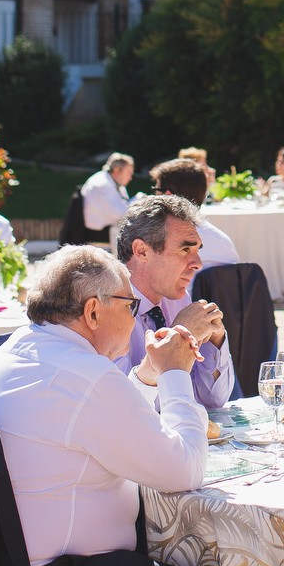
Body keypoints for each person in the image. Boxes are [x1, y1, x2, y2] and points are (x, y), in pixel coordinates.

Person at [0, 246, 230, 566]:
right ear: (92, 312)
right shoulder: (83, 375)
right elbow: (183, 472)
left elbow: (99, 421)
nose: (135, 315)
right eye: (130, 304)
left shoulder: (24, 349)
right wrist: (176, 373)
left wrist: (148, 375)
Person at [115, 194, 237, 408]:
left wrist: (215, 343)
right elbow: (125, 409)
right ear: (142, 251)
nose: (198, 263)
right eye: (185, 249)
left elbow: (214, 399)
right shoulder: (108, 307)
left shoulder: (176, 299)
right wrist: (177, 337)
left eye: (197, 250)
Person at [150, 159, 240, 268]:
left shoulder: (160, 245)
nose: (154, 195)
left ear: (168, 195)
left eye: (156, 189)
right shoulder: (223, 241)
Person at [80, 153, 136, 235]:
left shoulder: (116, 185)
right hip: (99, 235)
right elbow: (120, 215)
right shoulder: (101, 185)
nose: (130, 177)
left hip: (109, 232)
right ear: (116, 169)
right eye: (128, 172)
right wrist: (138, 200)